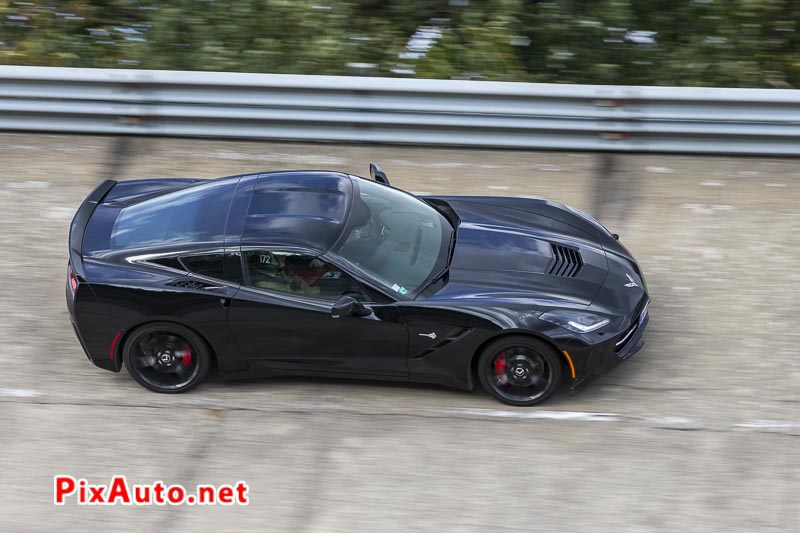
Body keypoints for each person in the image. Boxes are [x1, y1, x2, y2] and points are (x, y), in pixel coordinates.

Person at [250, 252, 320, 296]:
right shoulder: (265, 283)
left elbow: (299, 282)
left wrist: (320, 292)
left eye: (283, 253)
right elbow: (291, 298)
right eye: (278, 253)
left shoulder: (281, 271)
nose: (284, 256)